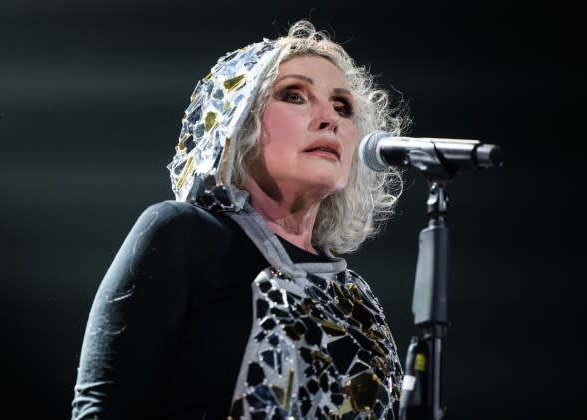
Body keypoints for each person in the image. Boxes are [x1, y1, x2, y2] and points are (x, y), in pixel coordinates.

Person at [71, 19, 410, 420]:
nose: (329, 118)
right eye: (295, 96)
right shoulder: (183, 236)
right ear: (240, 122)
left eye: (342, 106)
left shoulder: (355, 297)